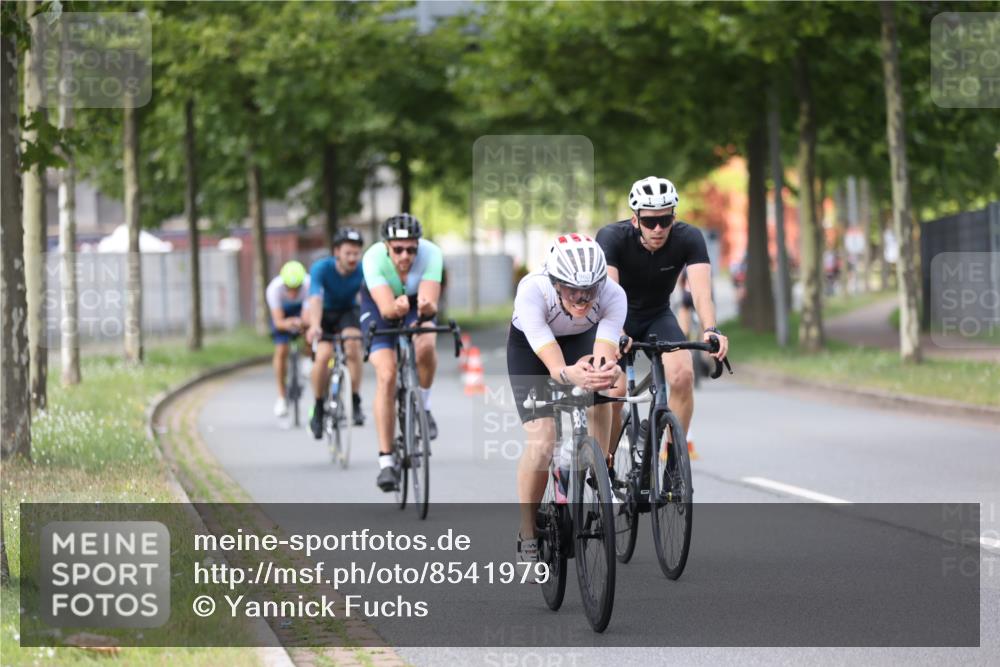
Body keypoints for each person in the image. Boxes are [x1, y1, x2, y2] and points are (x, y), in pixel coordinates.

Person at [507, 234, 626, 564]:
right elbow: (556, 368)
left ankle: (597, 472)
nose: (582, 297)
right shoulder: (533, 290)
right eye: (572, 289)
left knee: (603, 389)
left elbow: (603, 356)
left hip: (579, 341)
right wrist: (570, 375)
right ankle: (528, 532)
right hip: (533, 352)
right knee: (543, 440)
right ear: (556, 281)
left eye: (590, 289)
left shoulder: (613, 294)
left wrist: (602, 373)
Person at [596, 176, 729, 464]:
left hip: (658, 314)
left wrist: (710, 329)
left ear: (674, 217)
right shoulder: (611, 237)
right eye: (649, 222)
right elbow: (608, 297)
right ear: (635, 220)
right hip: (616, 316)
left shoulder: (688, 237)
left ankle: (673, 462)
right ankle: (604, 463)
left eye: (665, 220)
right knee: (614, 391)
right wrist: (618, 333)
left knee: (682, 376)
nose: (658, 228)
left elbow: (702, 294)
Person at [360, 213, 444, 492]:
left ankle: (424, 404)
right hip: (380, 306)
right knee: (386, 374)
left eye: (411, 249)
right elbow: (386, 310)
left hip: (414, 305)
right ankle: (386, 462)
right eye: (398, 249)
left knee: (427, 342)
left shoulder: (432, 254)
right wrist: (396, 308)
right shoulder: (372, 258)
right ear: (386, 246)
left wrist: (427, 309)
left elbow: (431, 302)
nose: (405, 255)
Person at [305, 227, 366, 438]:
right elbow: (315, 297)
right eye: (348, 253)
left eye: (356, 253)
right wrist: (314, 325)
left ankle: (356, 399)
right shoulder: (321, 268)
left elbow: (371, 296)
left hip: (348, 311)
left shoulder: (362, 269)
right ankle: (319, 407)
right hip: (324, 313)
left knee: (353, 344)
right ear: (336, 252)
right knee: (322, 356)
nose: (352, 258)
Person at [268, 261, 311, 418]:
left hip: (302, 310)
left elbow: (308, 317)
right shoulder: (274, 289)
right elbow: (278, 322)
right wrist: (287, 324)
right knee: (281, 350)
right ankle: (281, 397)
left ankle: (308, 358)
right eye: (289, 289)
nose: (292, 293)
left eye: (296, 289)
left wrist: (302, 323)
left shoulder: (308, 284)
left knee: (311, 331)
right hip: (283, 313)